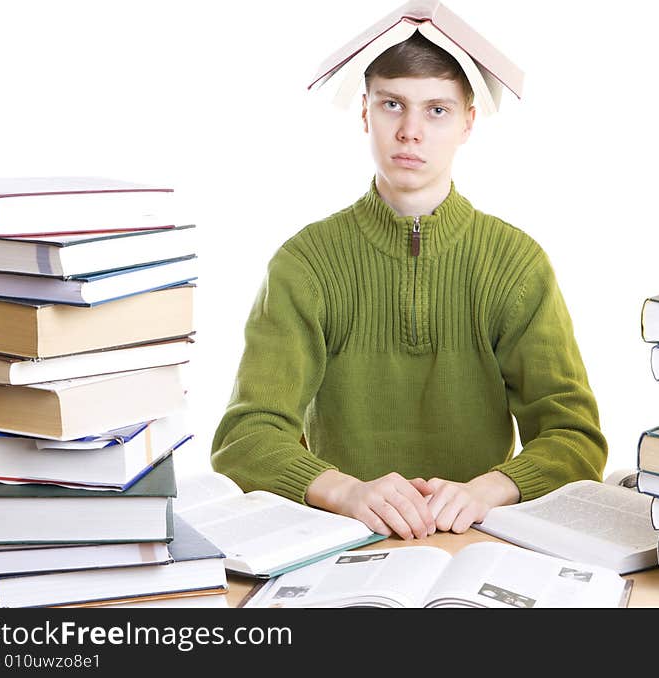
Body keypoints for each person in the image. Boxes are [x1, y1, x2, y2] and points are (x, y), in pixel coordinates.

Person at [211, 30, 607, 541]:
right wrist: (346, 490)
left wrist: (488, 490)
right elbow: (244, 437)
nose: (410, 131)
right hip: (338, 537)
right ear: (364, 112)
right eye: (392, 104)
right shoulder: (303, 263)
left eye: (436, 110)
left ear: (468, 120)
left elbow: (574, 437)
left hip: (481, 536)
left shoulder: (516, 263)